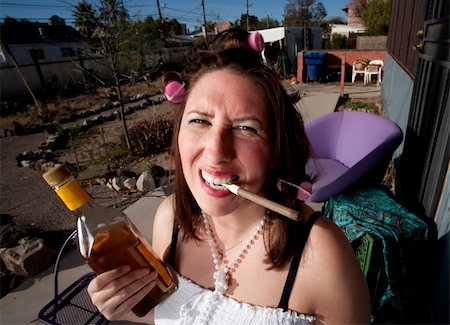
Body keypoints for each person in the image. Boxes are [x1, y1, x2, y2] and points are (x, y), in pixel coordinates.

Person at [88, 29, 371, 324]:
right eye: (199, 121)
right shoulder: (169, 218)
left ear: (276, 147)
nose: (215, 152)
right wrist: (129, 308)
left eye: (246, 128)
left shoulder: (321, 253)